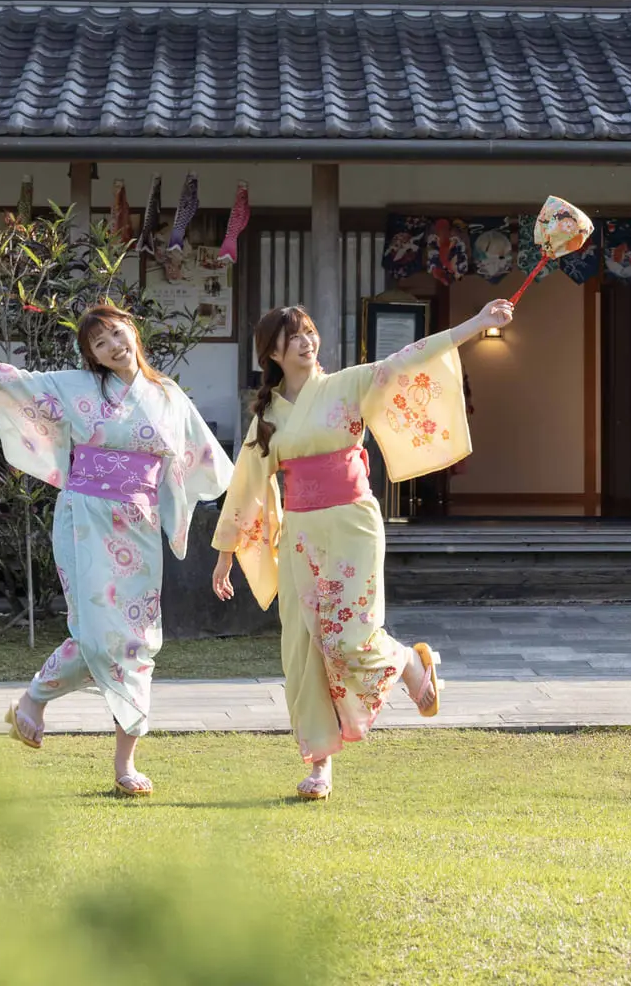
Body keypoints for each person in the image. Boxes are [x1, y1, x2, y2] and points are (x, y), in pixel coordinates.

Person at [0, 304, 232, 796]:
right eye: (99, 344)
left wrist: (251, 506)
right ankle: (38, 702)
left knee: (138, 639)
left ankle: (115, 756)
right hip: (85, 517)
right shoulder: (77, 387)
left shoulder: (168, 396)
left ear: (132, 329)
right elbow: (12, 378)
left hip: (140, 523)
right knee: (95, 630)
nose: (112, 346)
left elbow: (204, 461)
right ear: (94, 357)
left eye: (114, 333)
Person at [212, 297, 514, 799]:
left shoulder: (347, 384)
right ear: (273, 352)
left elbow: (409, 359)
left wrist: (476, 323)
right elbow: (247, 483)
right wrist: (226, 557)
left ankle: (409, 663)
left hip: (352, 522)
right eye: (293, 337)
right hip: (301, 536)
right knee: (305, 648)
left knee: (350, 637)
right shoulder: (267, 413)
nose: (306, 342)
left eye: (309, 332)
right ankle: (319, 764)